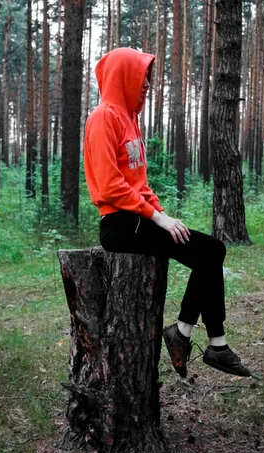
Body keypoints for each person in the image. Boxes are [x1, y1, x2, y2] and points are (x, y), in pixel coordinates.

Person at [84, 47, 251, 379]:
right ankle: (196, 339)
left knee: (212, 251)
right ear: (122, 76)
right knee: (211, 251)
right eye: (141, 76)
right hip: (119, 225)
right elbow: (108, 185)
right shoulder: (103, 117)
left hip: (138, 219)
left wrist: (160, 211)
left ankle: (208, 341)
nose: (147, 84)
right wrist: (157, 218)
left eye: (148, 78)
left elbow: (139, 183)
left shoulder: (129, 119)